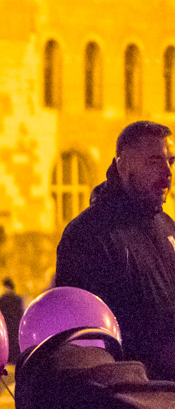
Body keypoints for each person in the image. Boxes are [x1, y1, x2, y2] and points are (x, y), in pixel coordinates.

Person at [55, 120, 175, 380]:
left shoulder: (167, 226)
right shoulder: (88, 235)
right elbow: (83, 336)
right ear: (123, 166)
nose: (167, 172)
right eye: (155, 161)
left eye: (171, 161)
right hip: (128, 398)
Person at [0, 278, 24, 366]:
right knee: (14, 343)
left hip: (5, 327)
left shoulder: (0, 300)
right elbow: (21, 313)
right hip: (15, 326)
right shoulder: (18, 299)